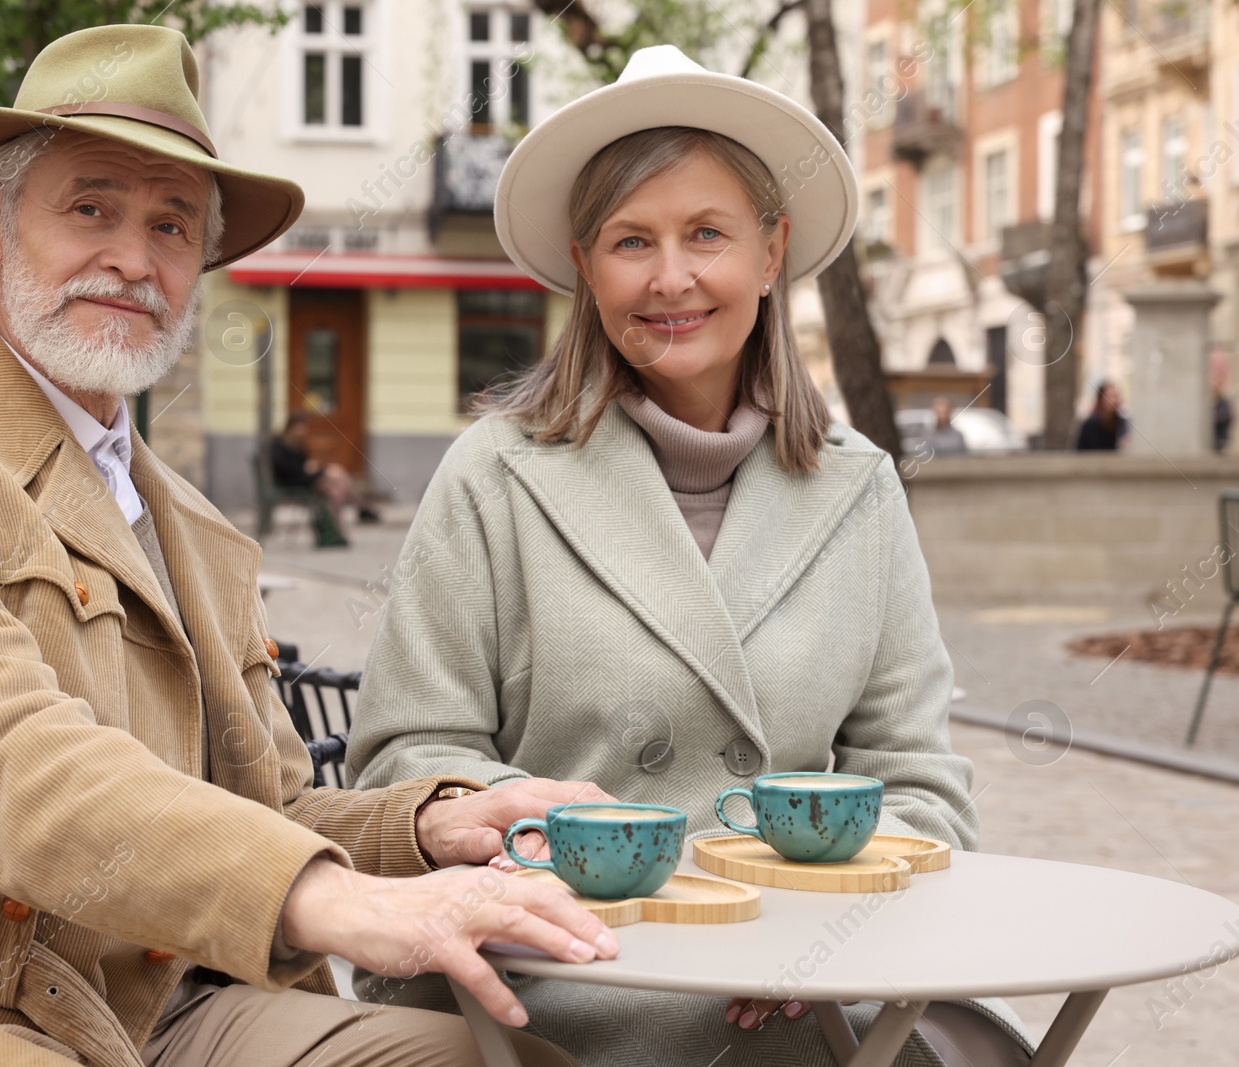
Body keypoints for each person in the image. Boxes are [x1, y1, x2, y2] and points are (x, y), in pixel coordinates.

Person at [0, 26, 619, 1067]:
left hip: (145, 1009)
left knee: (496, 1055)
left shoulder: (193, 524)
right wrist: (328, 897)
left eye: (172, 225)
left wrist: (435, 824)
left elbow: (267, 810)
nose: (132, 258)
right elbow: (5, 770)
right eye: (90, 208)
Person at [348, 46, 1033, 1067]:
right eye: (632, 241)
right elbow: (408, 762)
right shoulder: (492, 474)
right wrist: (514, 839)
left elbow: (918, 780)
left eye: (706, 233)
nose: (670, 278)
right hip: (556, 984)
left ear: (771, 253)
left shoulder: (860, 489)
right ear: (586, 267)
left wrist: (821, 937)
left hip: (801, 992)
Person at [270, 409, 379, 522]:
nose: (302, 431)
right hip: (293, 482)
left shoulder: (298, 444)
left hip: (302, 478)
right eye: (299, 427)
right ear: (290, 427)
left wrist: (308, 466)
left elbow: (301, 463)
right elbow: (287, 468)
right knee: (337, 474)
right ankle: (360, 507)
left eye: (303, 427)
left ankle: (337, 529)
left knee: (335, 491)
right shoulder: (279, 445)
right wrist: (306, 469)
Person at [1076, 381, 1127, 450]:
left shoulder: (1121, 422)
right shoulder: (1090, 425)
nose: (1114, 401)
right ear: (1100, 399)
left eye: (1116, 396)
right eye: (1110, 397)